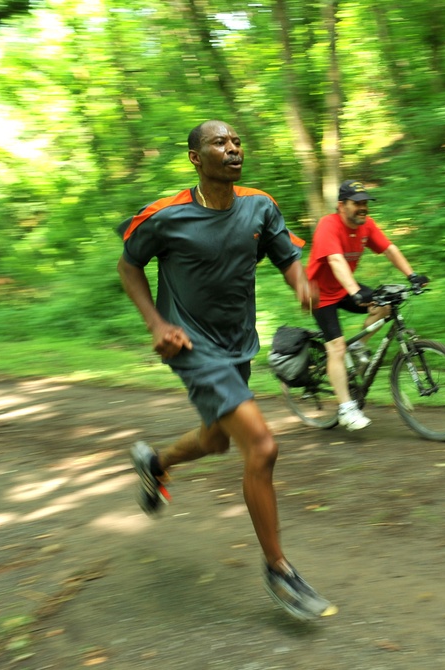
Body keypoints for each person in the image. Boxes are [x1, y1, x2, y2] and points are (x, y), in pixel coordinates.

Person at [116, 119, 336, 621]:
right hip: (190, 345)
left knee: (216, 441)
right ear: (196, 157)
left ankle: (156, 464)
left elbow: (287, 256)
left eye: (236, 140)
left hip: (239, 345)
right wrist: (156, 324)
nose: (232, 148)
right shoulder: (166, 215)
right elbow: (129, 264)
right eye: (220, 142)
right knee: (262, 445)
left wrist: (300, 282)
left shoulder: (260, 205)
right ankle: (278, 568)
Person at [306, 180, 428, 430]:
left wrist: (411, 275)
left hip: (345, 286)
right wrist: (355, 291)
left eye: (365, 203)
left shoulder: (366, 226)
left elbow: (390, 249)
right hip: (320, 293)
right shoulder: (328, 225)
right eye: (357, 203)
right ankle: (346, 409)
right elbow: (336, 261)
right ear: (341, 206)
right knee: (336, 348)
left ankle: (359, 348)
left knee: (386, 304)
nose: (363, 208)